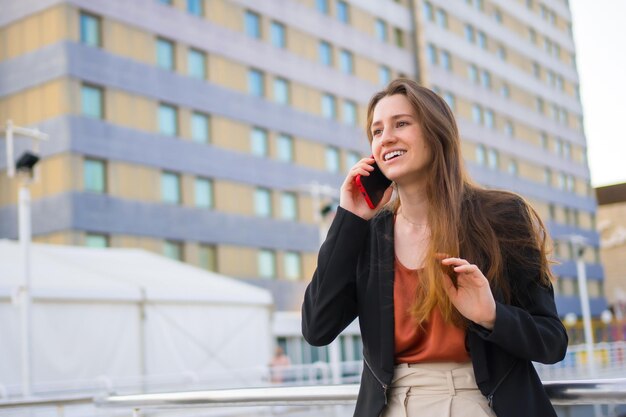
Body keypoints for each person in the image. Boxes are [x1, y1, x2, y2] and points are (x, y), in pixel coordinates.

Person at [302, 78, 568, 417]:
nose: (386, 138)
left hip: (481, 403)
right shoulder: (370, 234)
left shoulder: (501, 217)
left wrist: (491, 315)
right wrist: (349, 219)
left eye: (401, 123)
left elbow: (552, 340)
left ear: (435, 133)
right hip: (392, 406)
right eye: (377, 131)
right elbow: (317, 328)